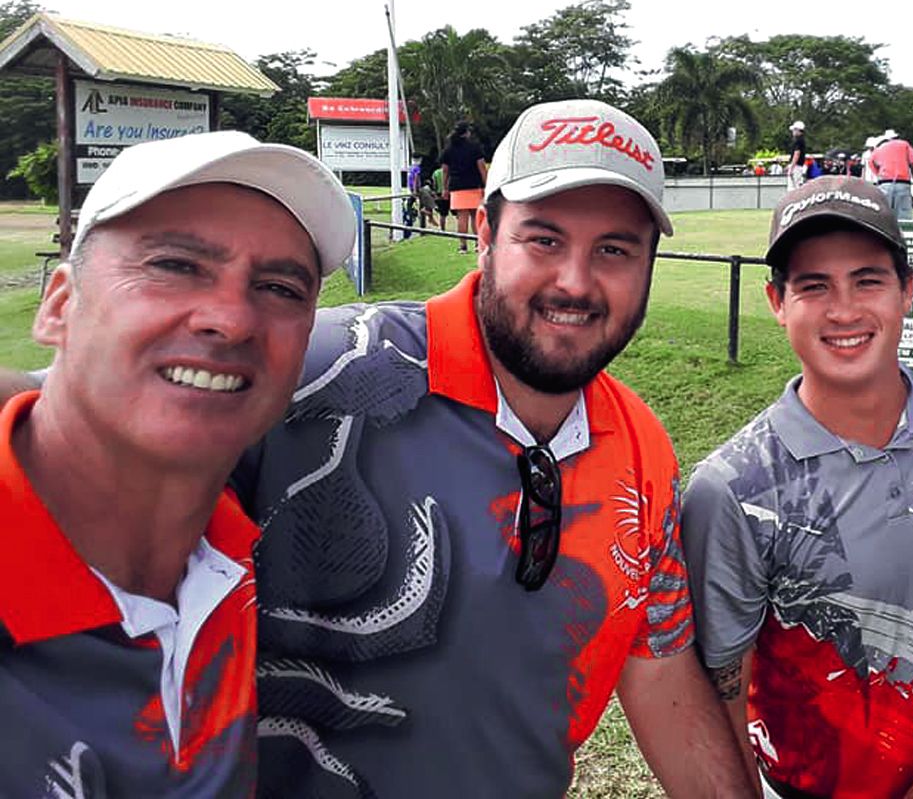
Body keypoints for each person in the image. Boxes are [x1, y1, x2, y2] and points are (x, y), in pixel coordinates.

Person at [237, 101, 753, 799]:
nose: (575, 280)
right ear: (484, 232)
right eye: (543, 239)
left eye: (614, 249)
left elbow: (657, 662)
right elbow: (84, 428)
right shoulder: (326, 367)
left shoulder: (641, 447)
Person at [0, 131, 354, 795]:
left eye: (279, 286)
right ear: (59, 306)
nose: (231, 318)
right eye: (175, 265)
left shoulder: (226, 563)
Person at [681, 176, 913, 799]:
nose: (843, 310)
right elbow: (720, 692)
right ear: (776, 300)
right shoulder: (733, 487)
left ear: (908, 290)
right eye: (813, 286)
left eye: (867, 280)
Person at [439, 120, 489, 254]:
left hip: (457, 185)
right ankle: (478, 244)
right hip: (473, 184)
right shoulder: (474, 147)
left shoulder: (449, 149)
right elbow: (482, 167)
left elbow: (445, 170)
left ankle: (463, 246)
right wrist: (486, 184)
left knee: (462, 217)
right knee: (475, 216)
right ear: (466, 132)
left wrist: (445, 188)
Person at [870, 128, 913, 221]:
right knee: (904, 218)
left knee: (884, 218)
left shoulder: (878, 149)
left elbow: (872, 164)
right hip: (902, 183)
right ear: (897, 137)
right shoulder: (905, 145)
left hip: (885, 183)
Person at [788, 120, 808, 189]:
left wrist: (791, 168)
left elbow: (797, 154)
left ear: (798, 130)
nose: (793, 132)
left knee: (793, 187)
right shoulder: (801, 140)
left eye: (794, 130)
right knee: (796, 185)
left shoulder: (798, 141)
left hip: (796, 166)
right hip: (799, 166)